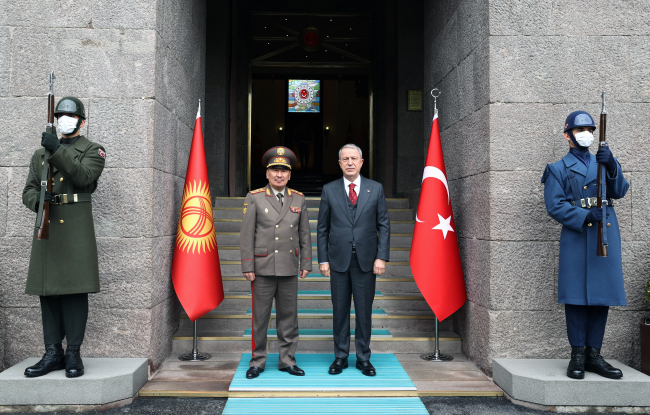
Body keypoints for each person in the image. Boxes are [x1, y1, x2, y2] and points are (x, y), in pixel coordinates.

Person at [22, 96, 106, 378]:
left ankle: (73, 353)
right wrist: (38, 200)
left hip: (74, 229)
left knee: (74, 293)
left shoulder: (93, 150)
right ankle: (52, 352)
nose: (64, 121)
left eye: (70, 117)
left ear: (82, 121)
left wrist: (56, 148)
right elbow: (28, 190)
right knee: (47, 292)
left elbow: (84, 178)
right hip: (48, 228)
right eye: (60, 116)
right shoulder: (39, 154)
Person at [541, 110, 629, 380]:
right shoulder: (557, 169)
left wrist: (612, 165)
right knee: (577, 299)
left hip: (605, 234)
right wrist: (583, 215)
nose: (585, 134)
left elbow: (620, 190)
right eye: (579, 130)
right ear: (567, 135)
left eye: (589, 129)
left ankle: (594, 355)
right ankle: (577, 355)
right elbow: (554, 205)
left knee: (601, 297)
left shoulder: (603, 161)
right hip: (578, 236)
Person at [317, 143, 390, 377]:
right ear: (339, 163)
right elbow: (322, 229)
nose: (349, 162)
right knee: (339, 311)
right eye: (345, 159)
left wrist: (381, 257)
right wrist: (323, 259)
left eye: (354, 158)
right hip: (337, 260)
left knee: (364, 311)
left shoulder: (375, 189)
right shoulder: (329, 190)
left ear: (361, 162)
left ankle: (363, 358)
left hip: (367, 261)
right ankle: (340, 357)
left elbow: (384, 226)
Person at [240, 146, 312, 379]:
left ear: (290, 174)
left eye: (284, 170)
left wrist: (306, 262)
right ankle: (257, 362)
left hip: (289, 267)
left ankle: (287, 361)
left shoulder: (299, 199)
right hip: (262, 268)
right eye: (274, 170)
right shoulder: (255, 197)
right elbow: (246, 235)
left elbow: (304, 234)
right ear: (267, 174)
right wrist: (248, 266)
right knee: (260, 318)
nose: (279, 174)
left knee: (289, 318)